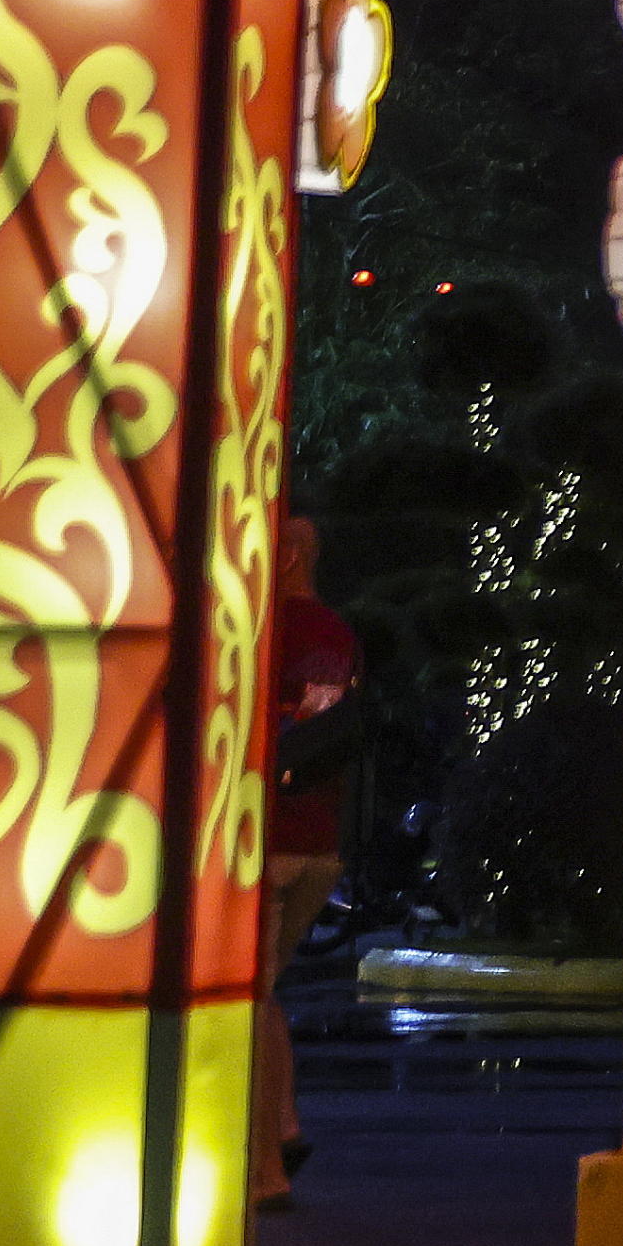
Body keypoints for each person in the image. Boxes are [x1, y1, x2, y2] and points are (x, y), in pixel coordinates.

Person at [256, 515, 360, 1205]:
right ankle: (286, 1124)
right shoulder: (338, 635)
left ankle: (264, 1171)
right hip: (320, 842)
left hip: (267, 839)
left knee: (248, 999)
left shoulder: (263, 628)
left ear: (286, 553)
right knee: (264, 992)